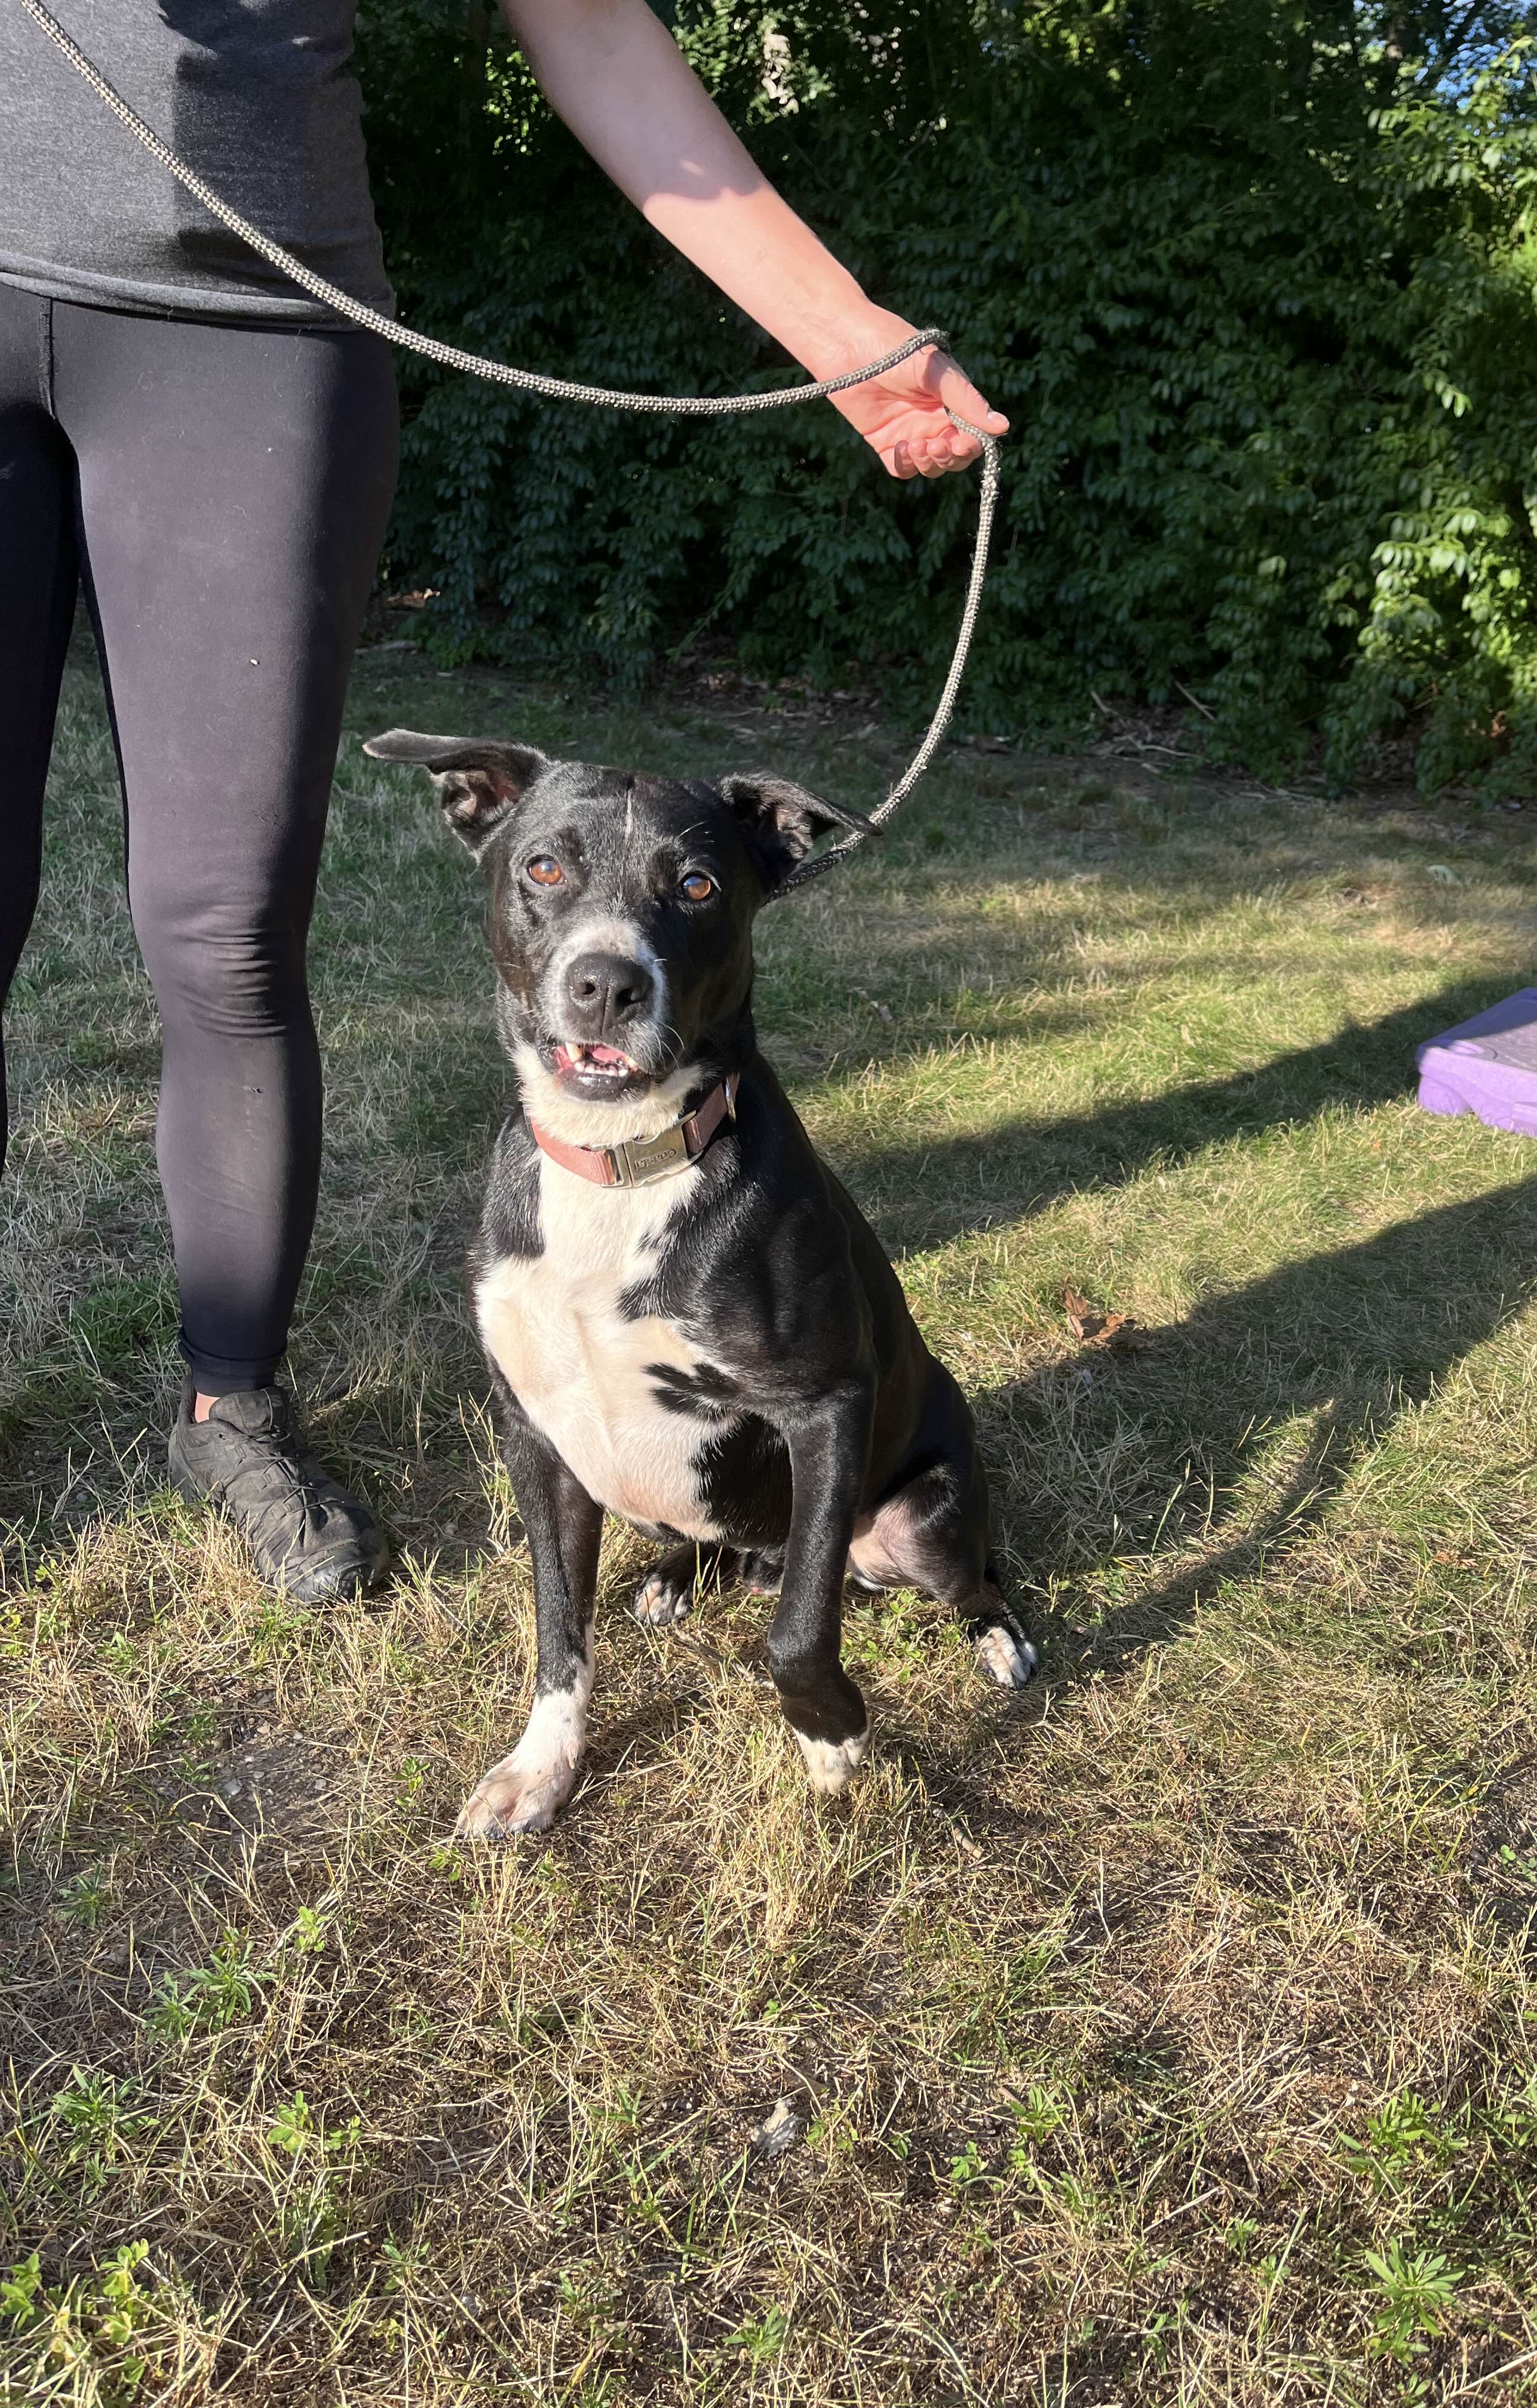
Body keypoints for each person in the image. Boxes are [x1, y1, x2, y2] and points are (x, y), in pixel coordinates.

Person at [0, 0, 1006, 1602]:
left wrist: (843, 333)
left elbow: (592, 27)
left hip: (248, 331)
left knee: (227, 938)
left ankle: (228, 1404)